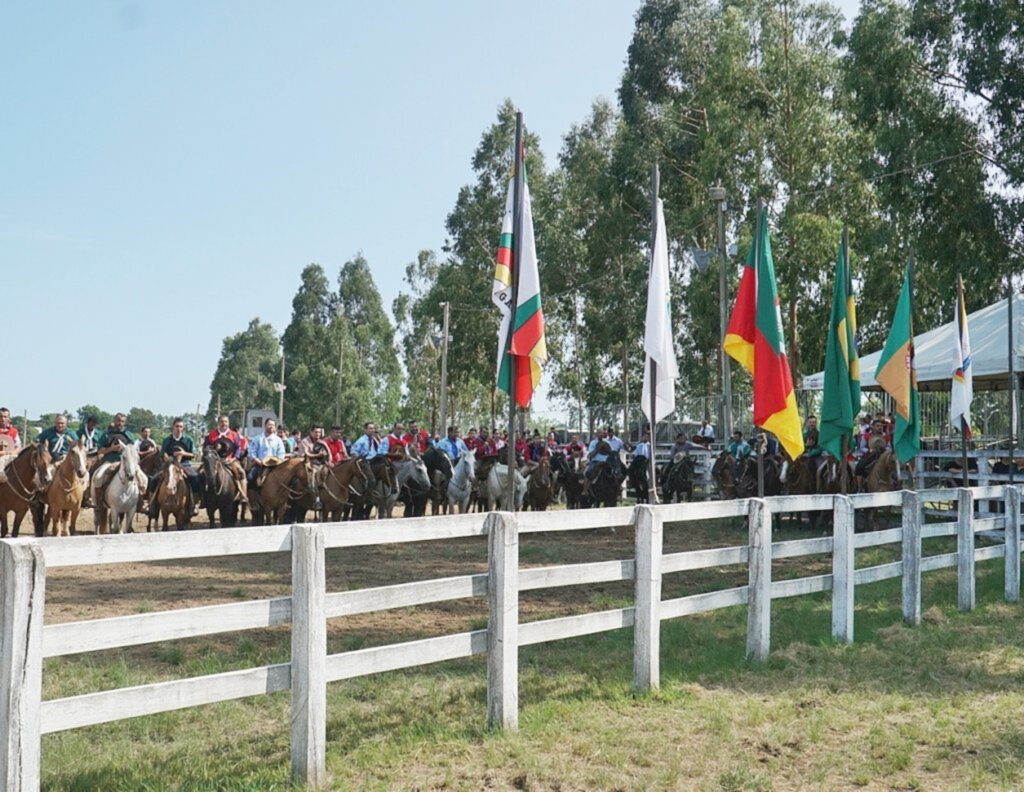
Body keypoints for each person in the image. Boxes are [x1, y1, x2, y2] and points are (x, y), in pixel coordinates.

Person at [149, 418, 201, 516]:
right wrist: (167, 460)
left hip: (184, 464)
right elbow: (161, 454)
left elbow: (193, 454)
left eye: (181, 427)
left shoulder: (188, 439)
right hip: (168, 465)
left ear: (183, 428)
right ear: (172, 427)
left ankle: (195, 504)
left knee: (195, 477)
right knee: (154, 479)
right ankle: (152, 505)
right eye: (177, 426)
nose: (178, 429)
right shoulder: (167, 440)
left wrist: (183, 453)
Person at [91, 412, 145, 507]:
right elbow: (100, 451)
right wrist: (112, 449)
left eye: (122, 421)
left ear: (125, 422)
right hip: (110, 461)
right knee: (98, 477)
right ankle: (99, 503)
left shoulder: (129, 434)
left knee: (143, 478)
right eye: (118, 420)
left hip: (127, 463)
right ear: (114, 421)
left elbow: (133, 449)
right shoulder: (106, 434)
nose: (120, 423)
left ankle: (140, 501)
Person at [204, 415, 247, 498]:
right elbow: (206, 447)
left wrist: (233, 459)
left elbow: (238, 448)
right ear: (218, 423)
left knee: (241, 472)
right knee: (201, 473)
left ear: (228, 423)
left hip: (230, 460)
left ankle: (243, 496)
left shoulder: (234, 435)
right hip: (214, 461)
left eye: (226, 421)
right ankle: (201, 498)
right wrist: (213, 448)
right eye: (222, 421)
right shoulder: (211, 435)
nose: (224, 424)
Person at [247, 417, 288, 489]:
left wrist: (277, 460)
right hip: (260, 465)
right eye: (269, 424)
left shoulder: (278, 440)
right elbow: (251, 452)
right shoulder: (257, 439)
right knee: (250, 478)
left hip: (275, 465)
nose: (271, 426)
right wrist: (257, 460)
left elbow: (281, 454)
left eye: (273, 425)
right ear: (265, 425)